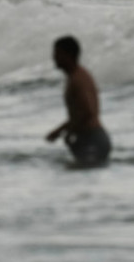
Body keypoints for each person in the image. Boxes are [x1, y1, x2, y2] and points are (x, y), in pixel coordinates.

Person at [46, 35, 111, 166]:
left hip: (92, 139)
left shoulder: (78, 79)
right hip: (88, 138)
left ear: (68, 55)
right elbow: (80, 113)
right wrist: (61, 131)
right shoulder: (75, 76)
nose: (54, 57)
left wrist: (67, 131)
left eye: (57, 53)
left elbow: (88, 112)